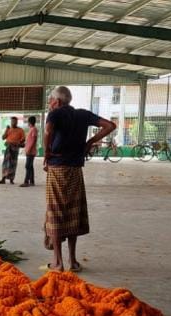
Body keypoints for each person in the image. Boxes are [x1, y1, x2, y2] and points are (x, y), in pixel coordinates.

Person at [43, 86, 116, 272]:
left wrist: (46, 154)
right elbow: (110, 125)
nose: (50, 104)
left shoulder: (54, 114)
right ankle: (73, 261)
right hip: (75, 170)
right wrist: (90, 142)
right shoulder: (83, 114)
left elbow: (48, 131)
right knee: (73, 213)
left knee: (56, 213)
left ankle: (58, 263)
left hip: (58, 168)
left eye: (50, 100)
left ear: (57, 101)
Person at [0, 116, 25, 184]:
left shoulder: (20, 130)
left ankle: (11, 179)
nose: (13, 123)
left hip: (15, 148)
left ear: (17, 122)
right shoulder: (8, 129)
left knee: (13, 164)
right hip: (8, 147)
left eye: (14, 121)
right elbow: (3, 137)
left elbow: (23, 139)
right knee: (5, 163)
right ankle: (3, 178)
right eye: (12, 121)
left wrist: (18, 142)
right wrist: (6, 130)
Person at [20, 116, 38, 187]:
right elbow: (30, 141)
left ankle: (26, 181)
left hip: (31, 151)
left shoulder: (34, 129)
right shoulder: (31, 129)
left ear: (29, 122)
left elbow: (34, 140)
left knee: (27, 166)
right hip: (29, 150)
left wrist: (29, 149)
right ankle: (32, 181)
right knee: (30, 166)